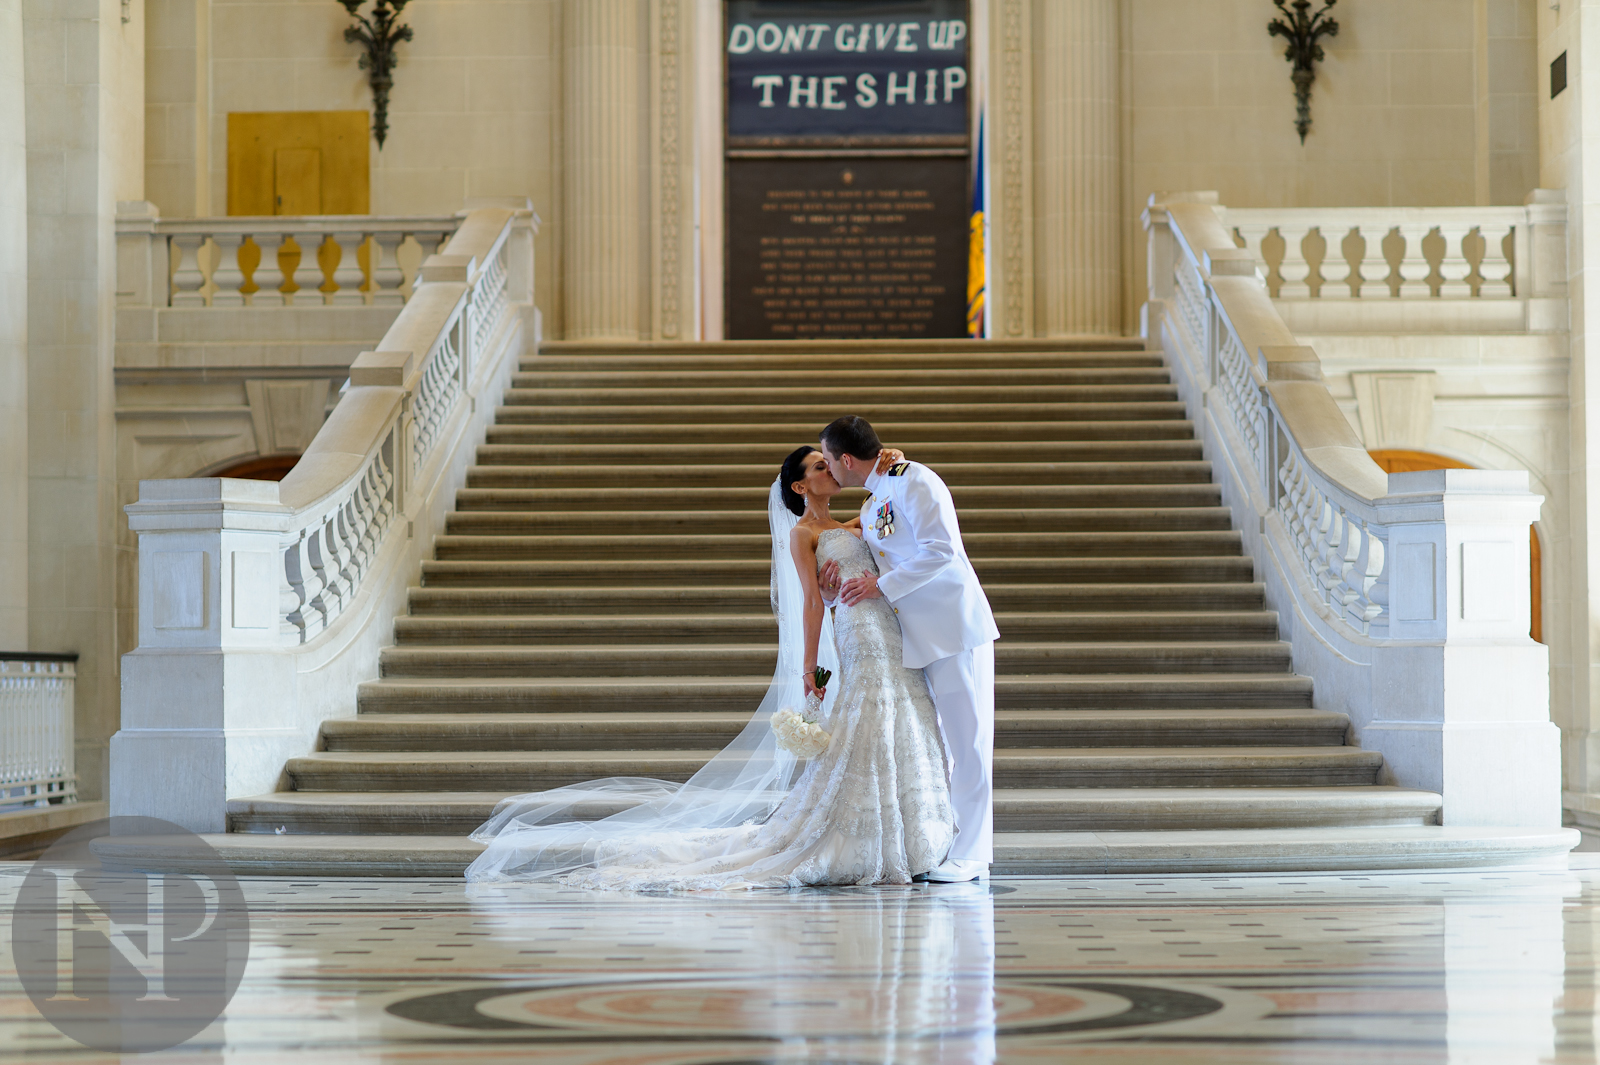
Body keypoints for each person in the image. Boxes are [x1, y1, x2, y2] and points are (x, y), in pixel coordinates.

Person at [464, 445, 955, 890]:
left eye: (831, 462)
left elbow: (887, 525)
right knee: (865, 715)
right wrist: (810, 668)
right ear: (800, 486)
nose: (830, 470)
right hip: (854, 633)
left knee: (897, 715)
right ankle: (861, 836)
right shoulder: (804, 534)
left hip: (885, 624)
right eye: (820, 467)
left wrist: (892, 459)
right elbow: (809, 602)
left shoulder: (856, 520)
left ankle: (908, 833)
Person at [817, 415, 1000, 883]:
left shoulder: (914, 479)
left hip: (953, 625)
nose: (828, 471)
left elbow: (942, 549)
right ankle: (951, 839)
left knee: (970, 741)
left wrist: (883, 585)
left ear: (846, 460)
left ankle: (974, 853)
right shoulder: (881, 490)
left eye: (828, 461)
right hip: (920, 633)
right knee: (949, 742)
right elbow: (873, 540)